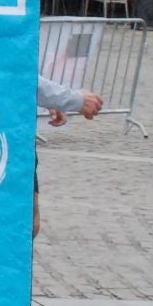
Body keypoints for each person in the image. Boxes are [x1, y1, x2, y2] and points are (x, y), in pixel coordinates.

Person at [32, 77, 105, 237]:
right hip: (8, 145)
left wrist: (51, 101)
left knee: (30, 224)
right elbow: (18, 71)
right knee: (26, 223)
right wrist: (74, 100)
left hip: (17, 143)